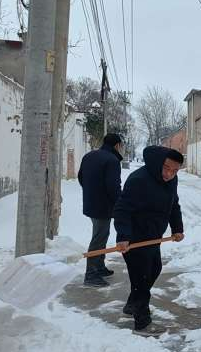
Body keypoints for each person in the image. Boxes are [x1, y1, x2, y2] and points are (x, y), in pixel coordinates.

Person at [113, 146, 185, 332]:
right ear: (157, 163)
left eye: (175, 170)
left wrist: (177, 228)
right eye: (167, 168)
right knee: (141, 278)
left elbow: (173, 203)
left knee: (154, 269)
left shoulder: (171, 181)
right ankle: (141, 318)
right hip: (134, 239)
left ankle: (132, 303)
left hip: (153, 238)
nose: (170, 174)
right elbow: (122, 209)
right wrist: (123, 236)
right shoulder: (139, 180)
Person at [78, 133, 124, 287]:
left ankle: (99, 267)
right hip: (103, 205)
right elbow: (113, 187)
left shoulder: (89, 156)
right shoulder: (112, 160)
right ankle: (91, 274)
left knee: (102, 235)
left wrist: (91, 192)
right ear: (117, 145)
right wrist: (121, 204)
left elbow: (80, 177)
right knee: (99, 237)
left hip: (91, 203)